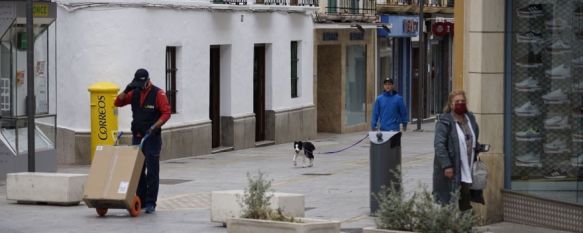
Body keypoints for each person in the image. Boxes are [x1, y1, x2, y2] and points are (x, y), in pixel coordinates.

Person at [115, 68, 171, 214]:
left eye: (142, 83)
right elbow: (117, 102)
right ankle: (142, 199)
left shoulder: (159, 94)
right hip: (138, 136)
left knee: (152, 171)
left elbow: (166, 113)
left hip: (152, 138)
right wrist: (127, 89)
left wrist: (154, 126)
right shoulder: (134, 92)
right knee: (138, 171)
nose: (140, 86)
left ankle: (151, 202)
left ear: (148, 80)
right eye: (137, 83)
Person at [433, 90, 484, 211]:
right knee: (450, 199)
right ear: (451, 104)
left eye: (463, 101)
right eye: (457, 101)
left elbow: (472, 138)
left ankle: (463, 224)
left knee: (465, 199)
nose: (460, 103)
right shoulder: (444, 122)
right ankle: (450, 225)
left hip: (468, 166)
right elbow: (439, 145)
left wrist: (478, 146)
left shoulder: (470, 119)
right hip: (452, 168)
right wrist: (447, 165)